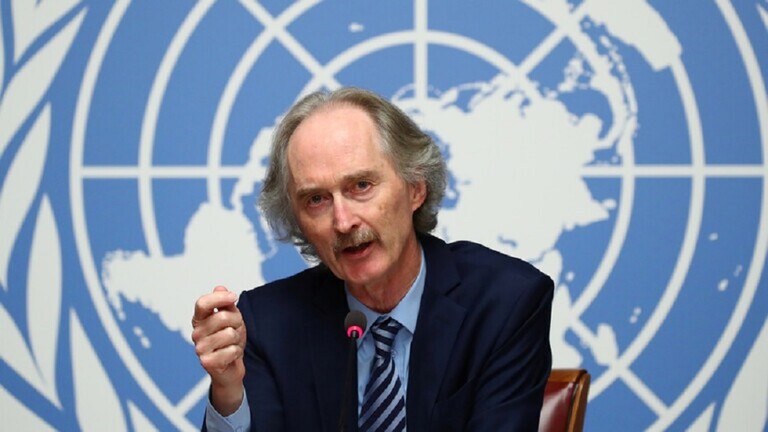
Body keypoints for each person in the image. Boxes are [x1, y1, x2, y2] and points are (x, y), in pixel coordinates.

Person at [191, 87, 553, 431]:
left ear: (415, 188)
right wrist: (229, 391)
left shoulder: (503, 303)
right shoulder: (267, 324)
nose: (343, 221)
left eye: (361, 186)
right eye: (316, 199)